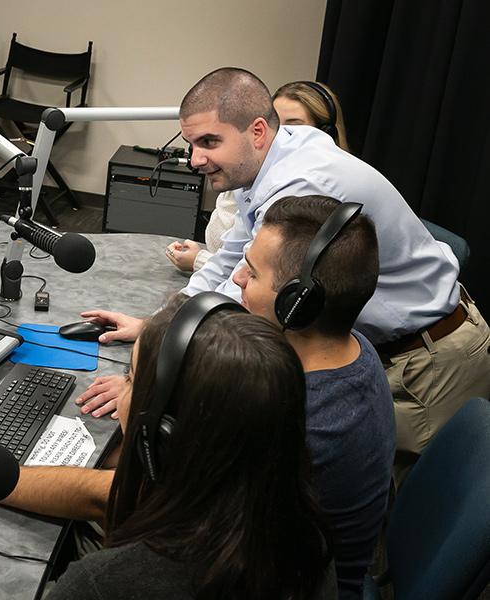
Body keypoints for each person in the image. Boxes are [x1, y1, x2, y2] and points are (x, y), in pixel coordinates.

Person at [84, 67, 490, 473]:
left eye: (209, 142)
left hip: (427, 361)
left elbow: (249, 307)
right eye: (191, 143)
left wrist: (148, 383)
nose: (196, 159)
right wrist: (157, 327)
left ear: (258, 131)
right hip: (398, 347)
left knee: (394, 518)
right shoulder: (275, 156)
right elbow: (232, 260)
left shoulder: (303, 183)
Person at [0, 295, 337, 599]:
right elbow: (107, 495)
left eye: (131, 379)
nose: (122, 391)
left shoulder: (107, 585)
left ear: (164, 432)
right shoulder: (297, 524)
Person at [232, 195, 394, 599]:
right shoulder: (355, 348)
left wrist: (141, 406)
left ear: (296, 303)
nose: (237, 278)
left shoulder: (305, 424)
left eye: (251, 273)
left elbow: (167, 511)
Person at [165, 80, 349, 274]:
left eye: (293, 128)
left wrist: (200, 260)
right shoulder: (250, 179)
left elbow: (261, 278)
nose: (280, 136)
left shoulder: (306, 186)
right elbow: (228, 254)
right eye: (277, 125)